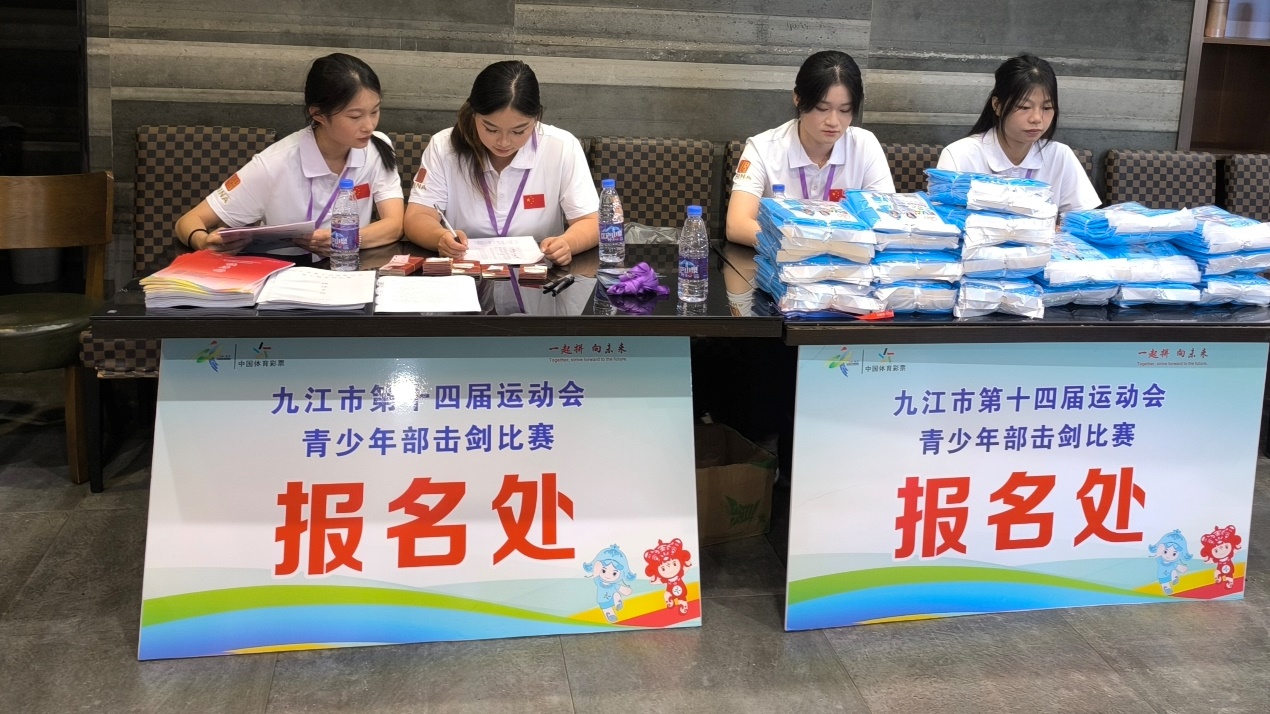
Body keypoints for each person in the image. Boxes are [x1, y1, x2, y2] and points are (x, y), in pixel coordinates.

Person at [174, 53, 404, 256]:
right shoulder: (273, 164)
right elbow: (189, 221)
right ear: (318, 114)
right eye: (355, 116)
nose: (369, 126)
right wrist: (202, 241)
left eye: (375, 111)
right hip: (282, 273)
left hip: (348, 271)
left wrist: (347, 239)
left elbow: (394, 225)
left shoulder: (377, 148)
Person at [404, 60, 598, 266]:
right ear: (474, 114)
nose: (504, 142)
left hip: (539, 276)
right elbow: (418, 216)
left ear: (536, 117)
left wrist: (568, 243)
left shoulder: (561, 146)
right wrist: (440, 238)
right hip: (466, 274)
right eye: (491, 129)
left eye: (518, 131)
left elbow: (592, 221)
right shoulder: (444, 147)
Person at [726, 50, 894, 247]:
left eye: (844, 110)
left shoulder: (864, 145)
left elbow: (887, 223)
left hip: (848, 261)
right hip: (785, 260)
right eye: (822, 108)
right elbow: (737, 226)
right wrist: (809, 245)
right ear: (798, 99)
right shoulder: (763, 149)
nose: (833, 121)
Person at [937, 53, 1101, 215]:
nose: (1037, 118)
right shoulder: (959, 156)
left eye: (1047, 108)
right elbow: (941, 222)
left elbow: (1084, 221)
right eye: (1024, 107)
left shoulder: (1060, 156)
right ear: (997, 106)